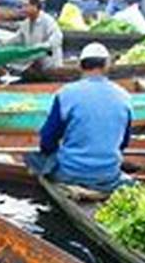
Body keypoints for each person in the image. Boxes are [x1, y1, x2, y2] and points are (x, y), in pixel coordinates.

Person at [26, 42, 133, 193]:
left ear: (80, 66)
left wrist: (56, 153)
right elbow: (123, 143)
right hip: (108, 174)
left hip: (71, 173)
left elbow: (47, 139)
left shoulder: (66, 94)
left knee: (34, 159)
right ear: (107, 65)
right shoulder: (124, 96)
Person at [15, 0, 63, 70]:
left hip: (49, 63)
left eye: (26, 6)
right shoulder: (25, 23)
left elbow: (57, 39)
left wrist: (40, 47)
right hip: (33, 62)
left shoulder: (48, 20)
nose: (23, 9)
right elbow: (16, 40)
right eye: (22, 6)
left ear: (35, 6)